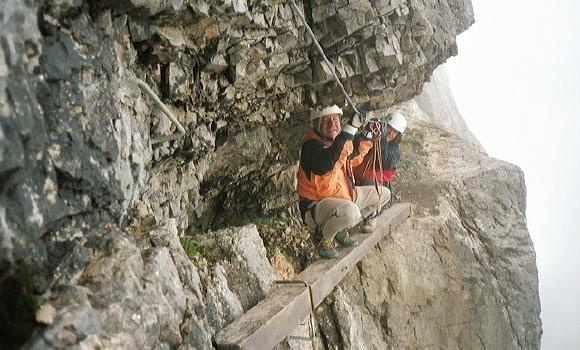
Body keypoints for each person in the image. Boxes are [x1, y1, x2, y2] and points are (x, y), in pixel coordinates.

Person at [296, 105, 391, 259]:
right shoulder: (311, 147)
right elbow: (329, 161)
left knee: (383, 194)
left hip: (343, 196)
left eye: (335, 119)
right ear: (316, 124)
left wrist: (367, 134)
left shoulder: (335, 144)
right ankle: (324, 237)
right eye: (327, 120)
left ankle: (338, 227)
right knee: (351, 212)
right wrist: (351, 127)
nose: (332, 124)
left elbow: (352, 156)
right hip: (317, 205)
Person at [353, 111, 407, 190]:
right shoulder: (375, 136)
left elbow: (382, 164)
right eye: (390, 128)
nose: (391, 133)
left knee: (367, 183)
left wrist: (383, 138)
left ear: (398, 135)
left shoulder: (395, 152)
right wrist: (367, 131)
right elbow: (356, 143)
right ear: (385, 126)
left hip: (374, 183)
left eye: (394, 132)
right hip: (357, 174)